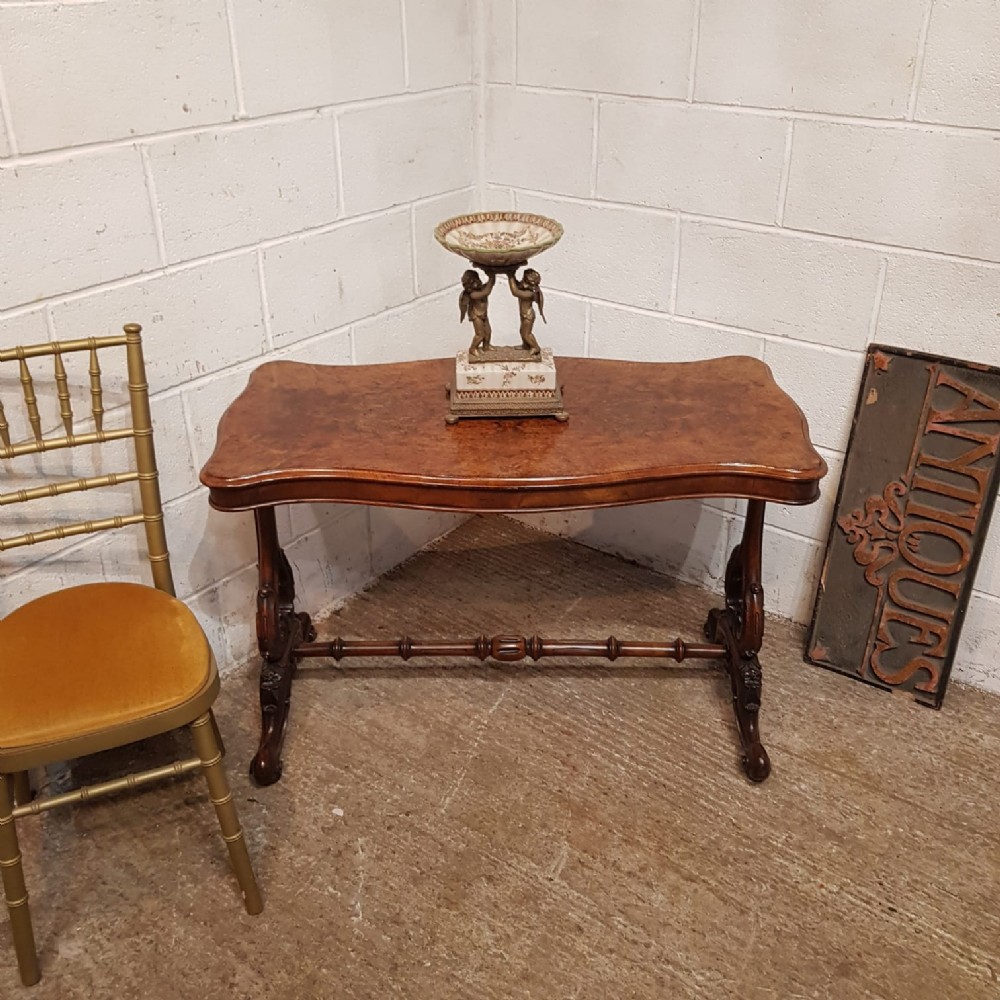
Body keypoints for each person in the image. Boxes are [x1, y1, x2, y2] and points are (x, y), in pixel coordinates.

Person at [508, 269, 545, 358]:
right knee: (522, 331)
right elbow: (517, 285)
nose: (523, 282)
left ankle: (535, 347)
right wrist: (512, 275)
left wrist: (510, 276)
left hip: (528, 315)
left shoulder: (530, 293)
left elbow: (515, 292)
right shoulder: (524, 288)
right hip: (524, 314)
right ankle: (526, 345)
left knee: (526, 333)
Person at [459, 269, 496, 356]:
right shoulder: (473, 295)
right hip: (476, 316)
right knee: (480, 334)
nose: (476, 283)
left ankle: (486, 346)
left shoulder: (481, 288)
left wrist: (492, 275)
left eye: (476, 279)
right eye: (472, 282)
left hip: (484, 315)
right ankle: (473, 348)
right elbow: (487, 292)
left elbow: (490, 284)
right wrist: (491, 277)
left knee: (488, 332)